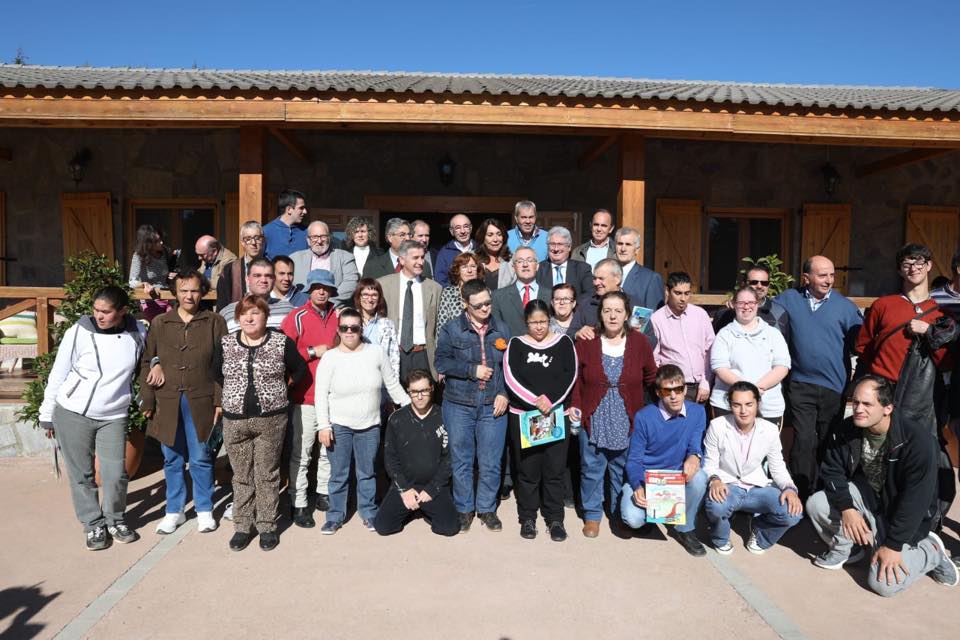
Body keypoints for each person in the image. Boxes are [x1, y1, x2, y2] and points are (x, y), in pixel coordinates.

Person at [806, 376, 959, 595]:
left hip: (903, 515)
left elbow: (916, 500)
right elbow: (832, 471)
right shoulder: (847, 429)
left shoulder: (917, 441)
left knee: (883, 585)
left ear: (887, 408)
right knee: (816, 504)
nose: (858, 409)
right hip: (869, 499)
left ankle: (931, 550)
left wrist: (894, 545)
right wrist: (847, 509)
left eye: (867, 404)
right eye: (855, 402)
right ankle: (853, 548)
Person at [38, 286, 146, 551]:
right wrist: (46, 413)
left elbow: (149, 359)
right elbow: (59, 372)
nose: (99, 316)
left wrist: (154, 362)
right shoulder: (79, 332)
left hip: (114, 414)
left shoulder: (138, 332)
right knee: (81, 475)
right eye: (96, 310)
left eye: (106, 312)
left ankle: (115, 519)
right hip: (73, 412)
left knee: (115, 474)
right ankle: (93, 524)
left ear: (121, 311)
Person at [214, 295, 307, 551]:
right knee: (242, 476)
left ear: (265, 317)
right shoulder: (225, 344)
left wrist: (280, 388)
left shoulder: (280, 342)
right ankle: (243, 526)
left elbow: (300, 370)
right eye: (245, 313)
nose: (250, 318)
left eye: (256, 313)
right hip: (235, 421)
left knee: (267, 474)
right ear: (238, 318)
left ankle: (267, 525)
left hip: (271, 420)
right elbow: (215, 372)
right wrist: (235, 392)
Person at [140, 270, 226, 535]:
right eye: (184, 290)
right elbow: (147, 360)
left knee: (201, 457)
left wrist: (219, 400)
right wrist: (148, 400)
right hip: (167, 400)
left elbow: (222, 364)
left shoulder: (214, 321)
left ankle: (203, 509)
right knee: (172, 458)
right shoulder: (161, 323)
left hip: (201, 401)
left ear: (203, 292)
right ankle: (174, 511)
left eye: (195, 290)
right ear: (175, 293)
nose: (189, 295)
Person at [315, 308, 410, 534]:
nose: (349, 332)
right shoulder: (330, 357)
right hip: (339, 425)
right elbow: (320, 395)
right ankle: (335, 515)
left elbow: (393, 385)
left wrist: (411, 408)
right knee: (338, 474)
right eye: (344, 328)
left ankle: (368, 511)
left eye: (354, 328)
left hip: (369, 424)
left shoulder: (376, 353)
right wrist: (324, 425)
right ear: (338, 329)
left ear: (361, 329)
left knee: (367, 472)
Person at [570, 291, 657, 538]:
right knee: (592, 468)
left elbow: (651, 376)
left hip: (626, 416)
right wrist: (575, 406)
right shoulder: (586, 342)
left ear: (627, 315)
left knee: (622, 468)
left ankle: (619, 513)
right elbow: (576, 379)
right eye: (607, 310)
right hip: (594, 414)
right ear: (600, 314)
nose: (612, 315)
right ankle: (592, 515)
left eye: (618, 311)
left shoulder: (639, 342)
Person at [775, 255, 863, 499]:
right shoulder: (789, 299)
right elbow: (763, 310)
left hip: (834, 386)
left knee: (828, 440)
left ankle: (826, 495)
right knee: (803, 440)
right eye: (822, 275)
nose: (829, 280)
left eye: (832, 275)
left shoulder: (845, 307)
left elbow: (862, 343)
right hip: (800, 383)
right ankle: (800, 494)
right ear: (806, 278)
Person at [435, 279, 510, 533]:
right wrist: (471, 370)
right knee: (462, 459)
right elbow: (441, 363)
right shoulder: (451, 329)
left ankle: (487, 508)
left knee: (491, 460)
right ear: (466, 305)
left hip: (493, 404)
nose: (485, 309)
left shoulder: (501, 328)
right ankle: (464, 508)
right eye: (479, 306)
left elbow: (510, 367)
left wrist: (504, 393)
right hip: (459, 404)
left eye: (488, 302)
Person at [503, 300, 578, 541]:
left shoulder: (563, 343)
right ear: (526, 322)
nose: (538, 327)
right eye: (534, 322)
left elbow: (570, 374)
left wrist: (551, 400)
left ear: (550, 320)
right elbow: (511, 377)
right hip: (525, 417)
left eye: (543, 321)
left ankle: (555, 518)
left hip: (556, 416)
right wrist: (536, 401)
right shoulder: (516, 345)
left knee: (555, 470)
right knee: (528, 470)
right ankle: (528, 518)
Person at [703, 381, 803, 555]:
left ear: (757, 404)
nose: (743, 411)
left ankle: (761, 533)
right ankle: (720, 537)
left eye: (749, 404)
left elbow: (778, 466)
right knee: (716, 506)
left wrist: (789, 488)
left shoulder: (770, 430)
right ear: (730, 405)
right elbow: (709, 462)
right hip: (728, 486)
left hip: (757, 487)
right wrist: (714, 479)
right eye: (737, 405)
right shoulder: (717, 426)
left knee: (793, 512)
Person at [621, 364, 709, 557]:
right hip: (648, 477)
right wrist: (637, 486)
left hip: (677, 478)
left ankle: (684, 529)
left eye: (678, 389)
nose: (674, 396)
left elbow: (695, 444)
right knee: (633, 519)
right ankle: (660, 512)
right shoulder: (644, 416)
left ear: (685, 389)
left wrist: (695, 455)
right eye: (667, 391)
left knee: (701, 477)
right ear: (659, 393)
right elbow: (634, 460)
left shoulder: (697, 412)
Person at [280, 270, 341, 528]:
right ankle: (299, 501)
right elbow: (283, 353)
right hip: (304, 394)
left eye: (326, 287)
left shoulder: (339, 316)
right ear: (310, 290)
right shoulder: (297, 317)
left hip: (333, 396)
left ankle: (324, 493)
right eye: (317, 287)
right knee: (302, 453)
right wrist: (314, 351)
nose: (321, 291)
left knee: (328, 450)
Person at [374, 370, 459, 537]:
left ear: (432, 389)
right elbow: (390, 459)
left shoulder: (443, 416)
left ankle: (423, 510)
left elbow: (448, 458)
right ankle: (413, 509)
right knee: (383, 527)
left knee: (449, 528)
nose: (419, 396)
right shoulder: (397, 419)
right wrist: (404, 489)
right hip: (406, 485)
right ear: (408, 392)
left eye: (424, 391)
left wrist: (432, 489)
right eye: (414, 392)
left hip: (434, 486)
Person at [855, 244, 950, 383]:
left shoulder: (941, 313)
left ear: (929, 265)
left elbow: (946, 361)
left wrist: (929, 331)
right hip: (883, 387)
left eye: (919, 262)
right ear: (899, 270)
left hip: (920, 392)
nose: (913, 268)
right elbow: (863, 346)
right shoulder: (882, 305)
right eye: (907, 264)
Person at [710, 286, 791, 425]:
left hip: (768, 406)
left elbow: (782, 366)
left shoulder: (773, 334)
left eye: (751, 302)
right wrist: (747, 390)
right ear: (734, 304)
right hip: (727, 405)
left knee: (764, 447)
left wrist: (755, 389)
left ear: (758, 304)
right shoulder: (724, 334)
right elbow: (719, 367)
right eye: (741, 303)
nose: (746, 307)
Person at [378, 240, 442, 381]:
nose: (421, 262)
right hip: (394, 353)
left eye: (422, 257)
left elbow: (438, 327)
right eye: (415, 258)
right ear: (401, 260)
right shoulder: (383, 284)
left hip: (423, 354)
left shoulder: (434, 288)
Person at [650, 272, 715, 403]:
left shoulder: (700, 315)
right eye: (678, 293)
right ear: (667, 291)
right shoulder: (656, 319)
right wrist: (667, 387)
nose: (683, 298)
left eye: (687, 293)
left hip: (701, 387)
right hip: (673, 389)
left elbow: (711, 350)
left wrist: (706, 382)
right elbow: (654, 358)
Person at [290, 220, 359, 306]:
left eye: (323, 236)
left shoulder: (345, 257)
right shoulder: (294, 259)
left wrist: (328, 303)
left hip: (335, 309)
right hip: (302, 308)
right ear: (308, 240)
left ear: (329, 238)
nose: (319, 241)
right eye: (314, 237)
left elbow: (350, 284)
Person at [712, 264, 790, 339]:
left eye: (764, 283)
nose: (759, 286)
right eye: (754, 282)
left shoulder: (780, 313)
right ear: (743, 284)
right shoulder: (725, 314)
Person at [218, 258, 295, 333]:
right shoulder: (228, 312)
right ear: (247, 280)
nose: (263, 280)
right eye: (257, 276)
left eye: (268, 276)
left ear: (274, 279)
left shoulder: (287, 310)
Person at [492, 247, 550, 337]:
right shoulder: (498, 296)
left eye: (530, 260)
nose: (525, 264)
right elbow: (495, 330)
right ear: (513, 267)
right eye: (520, 261)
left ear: (537, 266)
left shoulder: (550, 295)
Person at [354, 278, 400, 382]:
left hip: (379, 380)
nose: (370, 299)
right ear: (359, 296)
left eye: (374, 295)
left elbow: (393, 358)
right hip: (355, 379)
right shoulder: (350, 320)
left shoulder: (387, 324)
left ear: (379, 298)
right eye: (365, 294)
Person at [536, 226, 593, 302]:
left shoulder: (582, 269)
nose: (556, 249)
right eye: (552, 244)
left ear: (569, 247)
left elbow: (589, 295)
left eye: (560, 244)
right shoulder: (538, 269)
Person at [364, 218, 434, 280]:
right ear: (390, 237)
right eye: (402, 235)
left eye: (409, 235)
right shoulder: (372, 266)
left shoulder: (422, 265)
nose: (407, 238)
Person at [217, 221, 265, 309]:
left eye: (257, 238)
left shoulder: (272, 268)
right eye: (248, 239)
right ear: (242, 242)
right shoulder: (229, 270)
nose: (253, 243)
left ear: (263, 240)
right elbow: (222, 305)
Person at [129, 225, 173, 321]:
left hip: (166, 296)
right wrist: (144, 284)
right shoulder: (139, 256)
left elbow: (167, 274)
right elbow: (132, 282)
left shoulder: (165, 253)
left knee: (173, 323)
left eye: (160, 239)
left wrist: (172, 276)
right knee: (158, 325)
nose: (161, 242)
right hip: (149, 299)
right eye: (156, 241)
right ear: (147, 244)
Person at [615, 227, 664, 312]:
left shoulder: (651, 279)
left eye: (628, 244)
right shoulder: (607, 274)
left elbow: (655, 315)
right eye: (620, 244)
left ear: (637, 250)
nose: (623, 249)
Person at [436, 252, 484, 329]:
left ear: (477, 269)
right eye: (464, 267)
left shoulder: (485, 292)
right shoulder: (448, 293)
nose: (469, 270)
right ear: (457, 271)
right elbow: (442, 324)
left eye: (473, 266)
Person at [262, 188, 307, 260]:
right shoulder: (266, 232)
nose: (305, 211)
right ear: (289, 209)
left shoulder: (307, 232)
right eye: (301, 208)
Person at [474, 217, 516, 290]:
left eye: (499, 234)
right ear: (482, 237)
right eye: (490, 235)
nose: (495, 239)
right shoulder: (473, 259)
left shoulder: (512, 260)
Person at [434, 214, 475, 287]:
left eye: (466, 226)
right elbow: (440, 280)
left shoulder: (480, 249)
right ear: (452, 231)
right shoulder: (444, 253)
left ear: (471, 228)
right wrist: (456, 293)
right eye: (458, 228)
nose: (463, 231)